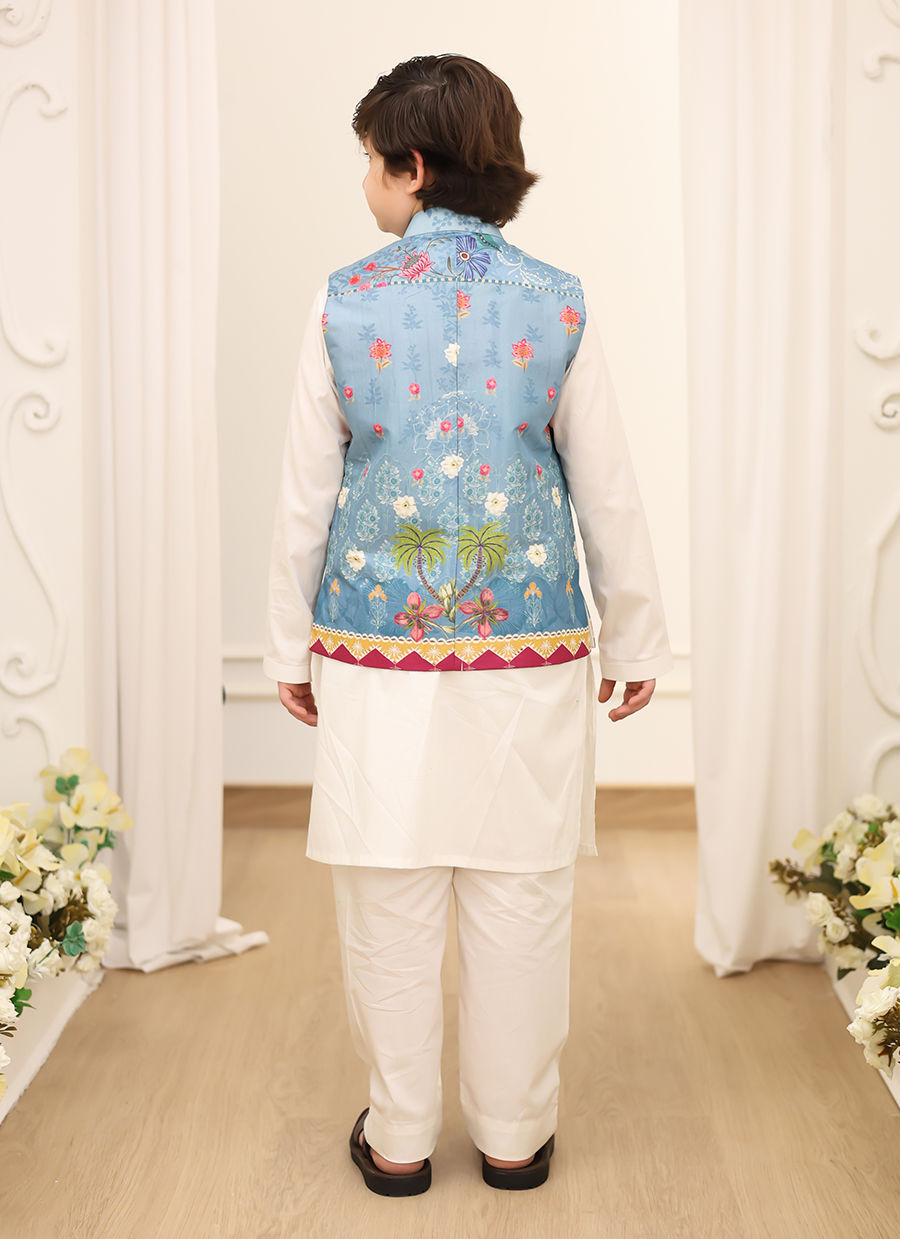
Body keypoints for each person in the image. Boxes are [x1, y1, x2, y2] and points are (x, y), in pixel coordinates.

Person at [263, 53, 674, 1197]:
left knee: (386, 894)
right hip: (526, 653)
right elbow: (607, 487)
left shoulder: (345, 299)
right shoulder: (559, 298)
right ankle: (514, 1137)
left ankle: (399, 1139)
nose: (364, 182)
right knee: (521, 895)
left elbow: (305, 494)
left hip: (375, 651)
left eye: (368, 161)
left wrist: (286, 644)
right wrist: (639, 636)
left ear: (413, 165)